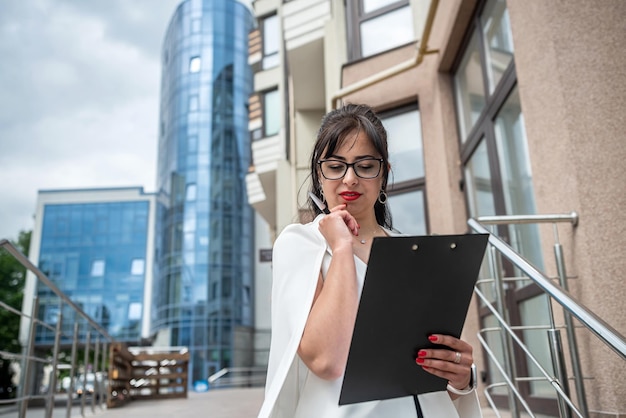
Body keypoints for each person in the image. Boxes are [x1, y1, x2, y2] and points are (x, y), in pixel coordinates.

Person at [258, 104, 482, 418]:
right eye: (335, 166)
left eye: (364, 166)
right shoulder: (300, 243)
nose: (350, 179)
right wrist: (341, 248)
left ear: (383, 174)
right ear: (319, 175)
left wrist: (460, 378)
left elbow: (423, 366)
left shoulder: (411, 251)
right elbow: (325, 360)